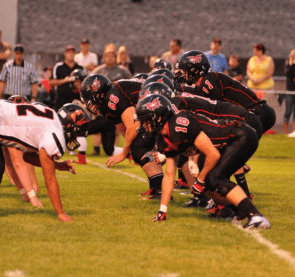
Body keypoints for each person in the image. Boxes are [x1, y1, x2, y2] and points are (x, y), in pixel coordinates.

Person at [135, 94, 271, 229]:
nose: (144, 125)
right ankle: (237, 209)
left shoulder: (179, 123)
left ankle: (256, 216)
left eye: (146, 120)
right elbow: (169, 175)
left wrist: (200, 179)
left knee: (213, 178)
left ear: (159, 117)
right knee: (208, 183)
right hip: (228, 143)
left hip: (240, 136)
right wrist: (162, 211)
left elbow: (213, 154)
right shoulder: (163, 139)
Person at [0, 100, 90, 222]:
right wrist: (61, 213)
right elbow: (50, 179)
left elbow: (27, 157)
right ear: (68, 125)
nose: (74, 136)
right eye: (76, 132)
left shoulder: (51, 116)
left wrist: (56, 165)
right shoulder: (55, 134)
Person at [80, 74, 165, 198]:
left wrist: (124, 153)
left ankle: (161, 190)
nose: (90, 105)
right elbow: (123, 128)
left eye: (91, 99)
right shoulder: (105, 105)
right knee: (136, 147)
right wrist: (129, 147)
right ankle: (156, 187)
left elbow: (134, 126)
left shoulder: (112, 96)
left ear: (100, 93)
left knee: (139, 147)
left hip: (159, 115)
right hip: (151, 118)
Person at [175, 50, 276, 135]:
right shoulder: (207, 81)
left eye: (185, 70)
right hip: (256, 112)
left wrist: (179, 89)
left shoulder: (209, 81)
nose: (182, 74)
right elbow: (198, 94)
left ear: (195, 70)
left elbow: (208, 106)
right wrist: (179, 88)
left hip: (256, 113)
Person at [91, 44, 132, 156]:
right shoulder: (98, 70)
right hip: (102, 104)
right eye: (107, 56)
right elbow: (90, 85)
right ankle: (97, 147)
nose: (109, 58)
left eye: (111, 56)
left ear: (115, 57)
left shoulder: (123, 71)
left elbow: (131, 85)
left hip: (118, 104)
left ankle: (118, 148)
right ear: (104, 57)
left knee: (118, 127)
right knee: (98, 124)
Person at [50, 45, 84, 111]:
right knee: (60, 119)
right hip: (61, 101)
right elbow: (51, 82)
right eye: (68, 52)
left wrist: (78, 84)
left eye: (72, 52)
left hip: (76, 101)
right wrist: (64, 80)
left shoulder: (80, 68)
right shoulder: (58, 67)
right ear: (65, 54)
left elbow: (85, 84)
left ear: (75, 54)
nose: (70, 54)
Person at [283, 49, 295, 135]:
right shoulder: (288, 63)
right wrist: (292, 64)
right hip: (290, 90)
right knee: (288, 111)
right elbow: (288, 73)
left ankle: (294, 131)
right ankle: (285, 132)